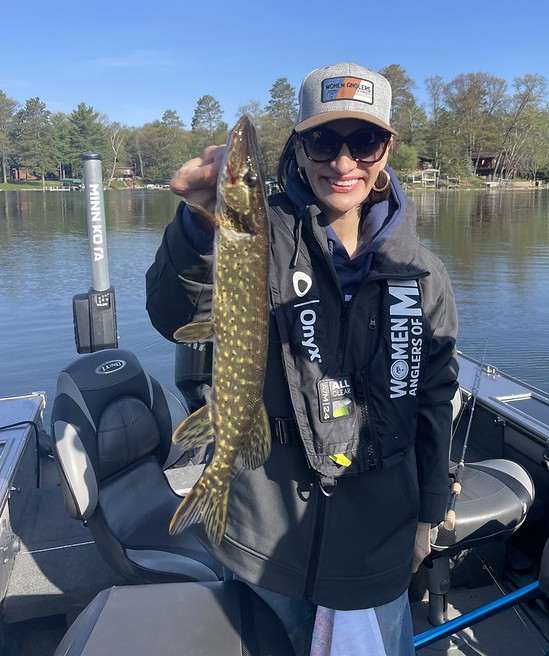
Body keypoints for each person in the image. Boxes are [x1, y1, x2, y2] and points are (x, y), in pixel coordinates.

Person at [146, 62, 459, 656]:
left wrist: (429, 512)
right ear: (298, 146)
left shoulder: (423, 274)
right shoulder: (254, 234)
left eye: (363, 141)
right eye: (323, 141)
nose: (343, 163)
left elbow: (434, 399)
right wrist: (195, 227)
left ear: (387, 147)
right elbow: (170, 314)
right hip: (263, 540)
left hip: (374, 550)